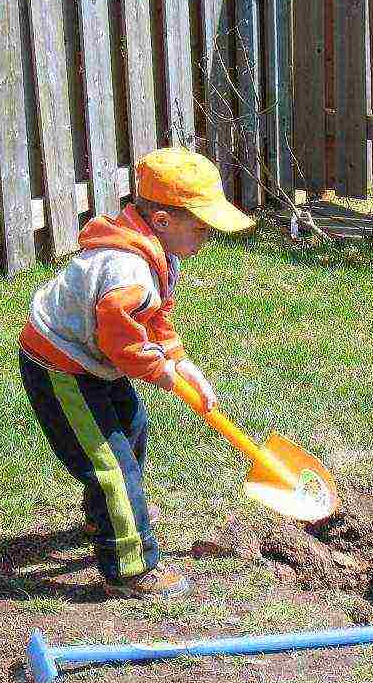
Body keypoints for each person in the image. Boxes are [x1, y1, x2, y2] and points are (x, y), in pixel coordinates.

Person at [17, 146, 254, 598]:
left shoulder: (159, 256)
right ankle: (131, 568)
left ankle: (104, 515)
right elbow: (122, 342)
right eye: (201, 227)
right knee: (111, 464)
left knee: (132, 427)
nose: (206, 238)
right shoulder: (127, 271)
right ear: (163, 221)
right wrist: (161, 372)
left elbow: (155, 318)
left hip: (93, 360)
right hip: (61, 366)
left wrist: (180, 361)